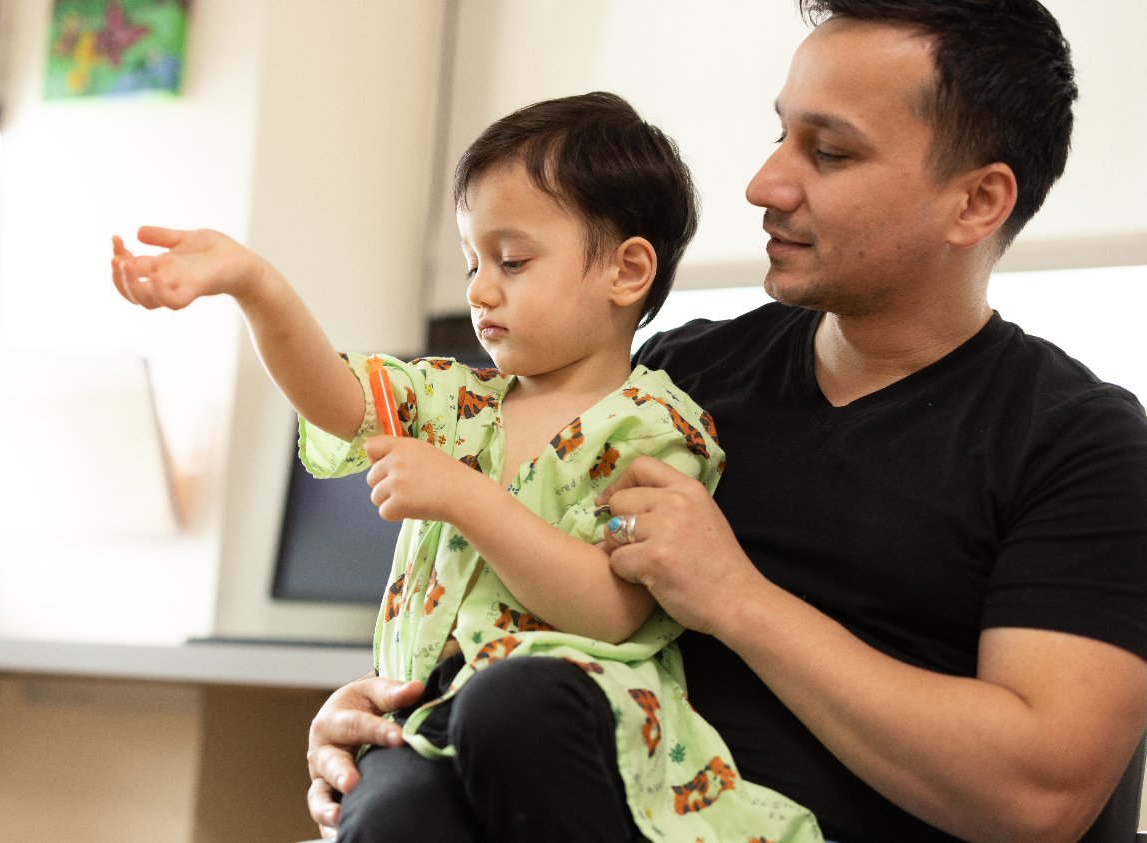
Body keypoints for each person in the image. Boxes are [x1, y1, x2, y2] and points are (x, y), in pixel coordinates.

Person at [306, 2, 1147, 842]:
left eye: (830, 151)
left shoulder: (1080, 445)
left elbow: (1040, 797)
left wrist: (735, 597)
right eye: (780, 134)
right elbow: (514, 596)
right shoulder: (672, 379)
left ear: (976, 201)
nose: (764, 184)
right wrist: (394, 708)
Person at [114, 93, 820, 840]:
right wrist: (256, 287)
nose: (480, 289)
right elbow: (338, 398)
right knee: (384, 815)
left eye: (512, 261)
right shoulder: (460, 401)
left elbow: (612, 610)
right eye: (472, 262)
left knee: (510, 707)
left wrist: (466, 497)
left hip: (573, 717)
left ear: (627, 270)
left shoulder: (656, 428)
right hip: (430, 714)